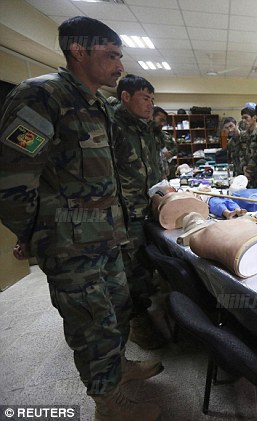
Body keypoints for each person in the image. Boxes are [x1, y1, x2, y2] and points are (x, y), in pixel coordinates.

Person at [0, 16, 161, 420]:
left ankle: (116, 368)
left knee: (115, 311)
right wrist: (37, 234)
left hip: (106, 236)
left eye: (119, 57)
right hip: (69, 243)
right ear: (78, 51)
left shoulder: (96, 105)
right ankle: (108, 404)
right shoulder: (41, 96)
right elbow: (12, 181)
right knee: (91, 322)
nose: (119, 66)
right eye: (110, 56)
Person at [112, 74, 166, 350]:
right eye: (145, 98)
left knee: (144, 261)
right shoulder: (111, 125)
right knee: (129, 267)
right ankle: (136, 320)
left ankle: (147, 305)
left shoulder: (144, 128)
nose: (150, 105)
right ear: (126, 97)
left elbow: (152, 166)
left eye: (152, 99)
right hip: (123, 211)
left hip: (147, 207)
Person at [152, 106, 178, 179]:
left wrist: (170, 153)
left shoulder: (165, 135)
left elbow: (176, 147)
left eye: (164, 121)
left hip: (170, 169)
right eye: (161, 120)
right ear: (152, 117)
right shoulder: (146, 136)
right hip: (156, 175)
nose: (163, 124)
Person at [238, 106, 257, 175]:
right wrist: (244, 167)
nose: (243, 120)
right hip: (247, 172)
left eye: (246, 117)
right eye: (242, 118)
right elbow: (241, 152)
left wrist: (249, 170)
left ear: (254, 118)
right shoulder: (244, 135)